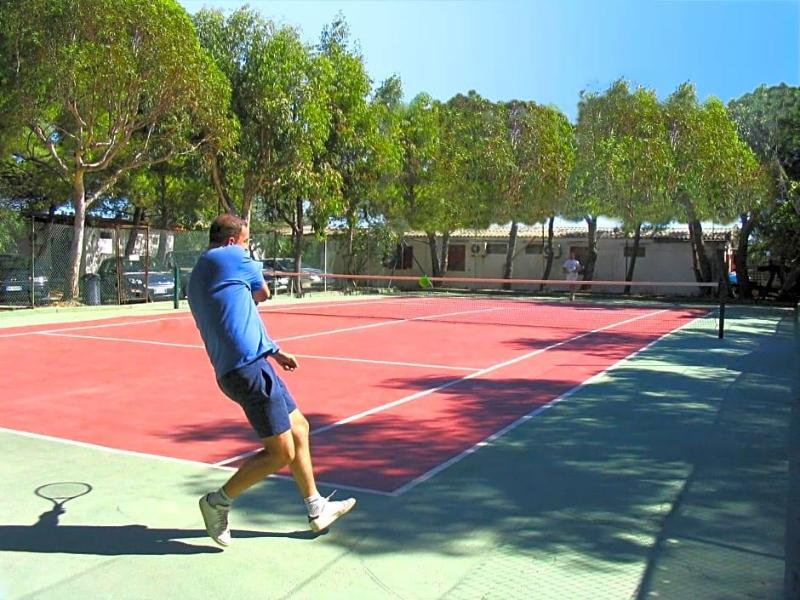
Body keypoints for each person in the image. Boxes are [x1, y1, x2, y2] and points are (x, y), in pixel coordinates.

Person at [188, 214, 355, 548]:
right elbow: (263, 293)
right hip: (247, 369)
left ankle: (316, 508)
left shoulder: (198, 273)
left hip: (245, 366)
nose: (247, 247)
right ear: (233, 241)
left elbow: (237, 317)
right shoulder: (234, 256)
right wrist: (251, 271)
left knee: (299, 427)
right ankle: (217, 502)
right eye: (246, 241)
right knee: (281, 453)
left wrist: (275, 352)